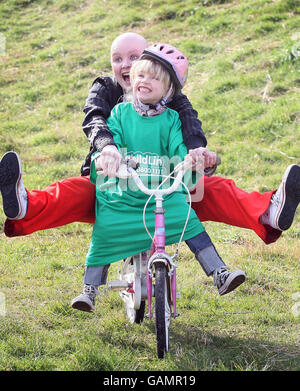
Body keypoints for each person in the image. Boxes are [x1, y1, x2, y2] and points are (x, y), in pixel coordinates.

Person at [0, 33, 299, 255]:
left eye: (134, 57)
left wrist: (197, 152)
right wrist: (107, 149)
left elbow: (190, 122)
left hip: (165, 184)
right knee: (72, 193)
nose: (126, 66)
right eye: (118, 59)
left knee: (214, 190)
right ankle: (24, 206)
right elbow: (94, 119)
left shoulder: (170, 98)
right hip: (113, 187)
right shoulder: (104, 88)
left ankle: (268, 211)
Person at [71, 44, 246, 312]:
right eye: (140, 75)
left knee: (188, 219)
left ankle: (219, 272)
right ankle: (89, 289)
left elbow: (180, 151)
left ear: (168, 90)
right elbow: (112, 140)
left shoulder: (172, 120)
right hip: (126, 193)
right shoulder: (120, 113)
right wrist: (110, 154)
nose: (144, 81)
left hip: (161, 194)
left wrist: (194, 159)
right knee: (107, 226)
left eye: (154, 78)